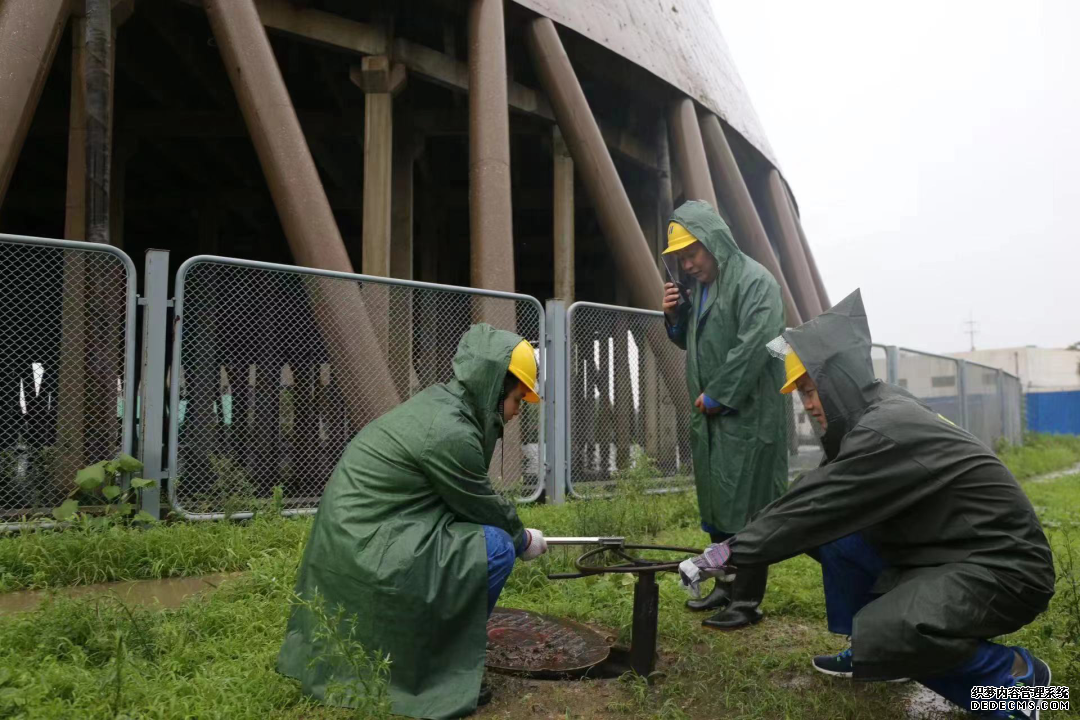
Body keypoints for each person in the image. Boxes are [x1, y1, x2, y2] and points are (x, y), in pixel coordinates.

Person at [679, 290, 1056, 719]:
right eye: (800, 394)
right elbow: (812, 498)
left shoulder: (886, 427)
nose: (808, 404)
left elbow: (815, 506)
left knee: (896, 631)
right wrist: (745, 539)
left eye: (811, 388)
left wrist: (726, 553)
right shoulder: (869, 416)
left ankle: (1019, 683)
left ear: (837, 376)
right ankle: (869, 654)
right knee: (837, 538)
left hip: (1006, 567)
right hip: (954, 551)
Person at [277, 324, 549, 719]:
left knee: (488, 542)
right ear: (494, 389)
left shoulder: (442, 406)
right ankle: (440, 664)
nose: (516, 412)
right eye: (517, 398)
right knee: (495, 548)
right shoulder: (452, 432)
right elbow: (482, 505)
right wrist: (523, 539)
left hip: (361, 533)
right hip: (368, 545)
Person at [662, 199, 789, 630]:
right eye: (681, 258)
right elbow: (697, 344)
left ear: (714, 242)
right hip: (714, 418)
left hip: (749, 416)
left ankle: (747, 600)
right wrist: (675, 317)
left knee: (750, 507)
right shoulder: (701, 291)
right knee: (720, 504)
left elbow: (756, 344)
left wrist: (717, 394)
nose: (688, 264)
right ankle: (724, 584)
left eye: (692, 253)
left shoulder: (756, 282)